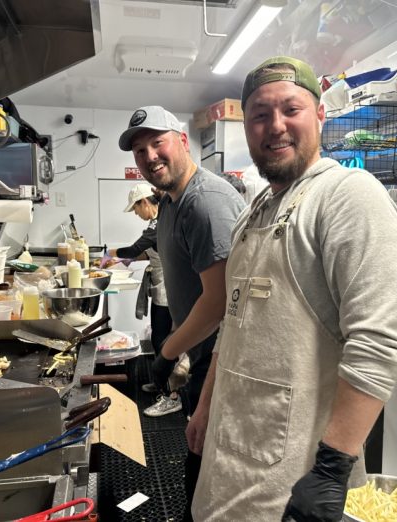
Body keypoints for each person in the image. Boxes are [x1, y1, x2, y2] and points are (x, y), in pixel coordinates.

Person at [188, 56, 397, 521]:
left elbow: (380, 342)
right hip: (231, 456)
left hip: (293, 479)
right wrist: (207, 403)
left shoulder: (349, 196)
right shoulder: (255, 213)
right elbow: (233, 325)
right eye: (259, 114)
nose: (276, 126)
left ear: (320, 115)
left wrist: (331, 470)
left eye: (291, 109)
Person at [118, 105, 246, 520]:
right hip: (202, 351)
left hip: (226, 358)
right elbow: (188, 288)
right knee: (199, 444)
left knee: (213, 458)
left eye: (158, 143)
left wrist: (169, 351)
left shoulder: (205, 202)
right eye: (139, 150)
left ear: (183, 142)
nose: (149, 156)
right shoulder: (171, 201)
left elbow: (219, 299)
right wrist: (179, 349)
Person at [108, 183, 180, 416]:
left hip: (170, 289)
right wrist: (121, 261)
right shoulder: (159, 221)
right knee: (160, 337)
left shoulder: (156, 223)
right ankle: (161, 383)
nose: (137, 214)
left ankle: (172, 395)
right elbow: (147, 251)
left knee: (163, 340)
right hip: (163, 287)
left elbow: (134, 248)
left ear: (145, 202)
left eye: (136, 209)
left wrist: (111, 254)